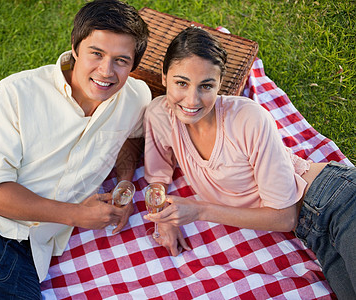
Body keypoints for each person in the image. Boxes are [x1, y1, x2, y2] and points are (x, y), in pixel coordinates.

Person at [0, 0, 150, 298]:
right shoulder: (17, 92)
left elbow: (132, 136)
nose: (106, 71)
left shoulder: (136, 96)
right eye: (96, 54)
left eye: (121, 60)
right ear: (75, 46)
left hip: (30, 255)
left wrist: (125, 181)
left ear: (134, 65)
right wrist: (76, 215)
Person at [143, 26, 355, 299]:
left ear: (220, 84)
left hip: (337, 199)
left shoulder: (248, 119)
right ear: (164, 77)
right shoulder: (159, 116)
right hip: (314, 238)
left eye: (206, 86)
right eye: (181, 83)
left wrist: (198, 211)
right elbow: (157, 176)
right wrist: (164, 218)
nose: (192, 100)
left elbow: (285, 216)